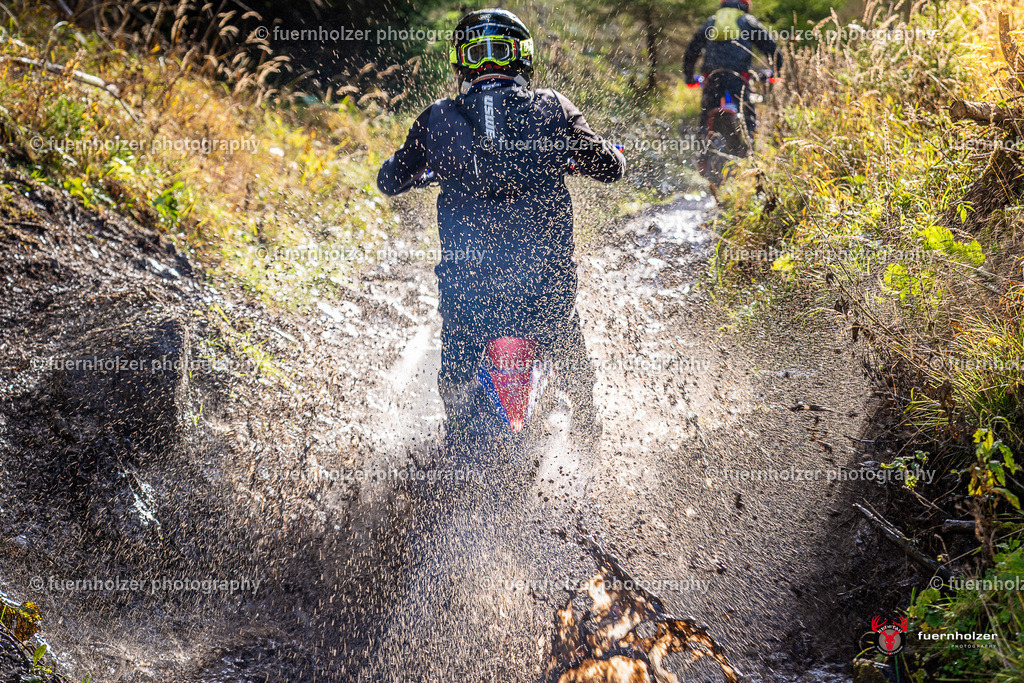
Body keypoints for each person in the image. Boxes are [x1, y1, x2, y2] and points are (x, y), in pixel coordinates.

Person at [377, 9, 625, 445]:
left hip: (470, 289)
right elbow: (610, 167)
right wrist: (590, 155)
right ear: (523, 58)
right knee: (568, 342)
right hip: (543, 285)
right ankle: (588, 427)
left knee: (455, 371)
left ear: (459, 62)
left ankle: (456, 431)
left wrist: (427, 167)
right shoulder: (554, 106)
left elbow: (389, 180)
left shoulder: (436, 118)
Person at [682, 0, 780, 138]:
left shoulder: (711, 22)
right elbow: (772, 48)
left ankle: (703, 151)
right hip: (739, 75)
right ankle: (748, 150)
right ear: (746, 6)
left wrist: (689, 77)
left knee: (707, 116)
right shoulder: (747, 21)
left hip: (712, 75)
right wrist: (777, 72)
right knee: (747, 117)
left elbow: (691, 51)